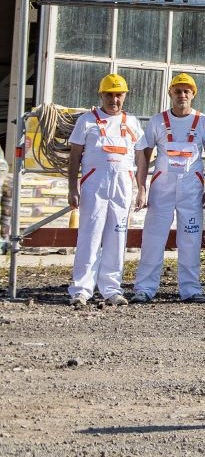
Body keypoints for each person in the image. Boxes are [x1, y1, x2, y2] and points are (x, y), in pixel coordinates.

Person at [132, 73, 205, 303]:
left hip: (191, 191)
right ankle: (145, 288)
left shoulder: (203, 122)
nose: (182, 95)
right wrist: (141, 187)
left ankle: (191, 289)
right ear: (170, 93)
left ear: (193, 94)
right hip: (162, 191)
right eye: (178, 91)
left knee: (190, 239)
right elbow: (144, 154)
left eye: (187, 91)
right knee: (153, 239)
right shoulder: (157, 121)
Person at [67, 73, 146, 307]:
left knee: (117, 237)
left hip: (122, 184)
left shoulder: (131, 122)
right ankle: (81, 290)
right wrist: (73, 187)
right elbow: (74, 156)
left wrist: (141, 189)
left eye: (118, 95)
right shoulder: (86, 120)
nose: (114, 99)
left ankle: (111, 289)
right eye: (109, 95)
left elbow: (141, 156)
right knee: (89, 236)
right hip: (94, 183)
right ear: (101, 95)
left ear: (125, 96)